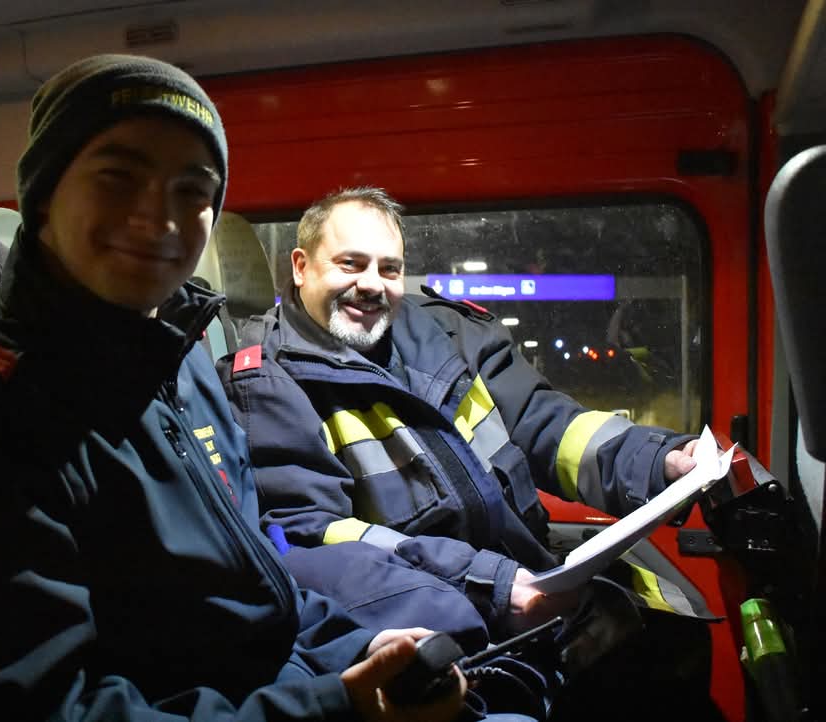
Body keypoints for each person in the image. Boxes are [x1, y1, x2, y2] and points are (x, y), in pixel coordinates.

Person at [0, 57, 497, 722]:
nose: (158, 219)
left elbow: (253, 586)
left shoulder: (178, 358)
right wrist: (336, 707)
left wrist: (360, 648)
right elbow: (42, 708)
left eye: (192, 191)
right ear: (44, 193)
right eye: (118, 177)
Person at [216, 187, 714, 694]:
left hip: (526, 582)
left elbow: (549, 425)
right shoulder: (267, 383)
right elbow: (314, 534)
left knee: (676, 650)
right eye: (351, 264)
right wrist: (492, 585)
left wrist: (660, 459)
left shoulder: (448, 332)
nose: (371, 285)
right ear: (301, 267)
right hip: (440, 622)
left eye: (389, 269)